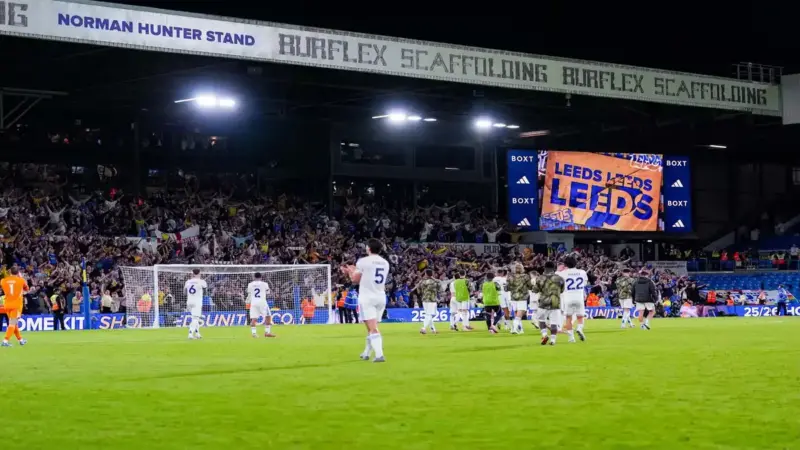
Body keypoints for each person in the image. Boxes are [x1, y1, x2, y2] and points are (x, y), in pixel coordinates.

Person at [343, 238, 389, 363]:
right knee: (371, 327)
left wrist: (350, 271)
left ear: (368, 248)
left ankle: (379, 355)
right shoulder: (385, 263)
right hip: (380, 296)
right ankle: (367, 352)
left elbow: (355, 280)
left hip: (367, 297)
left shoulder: (363, 261)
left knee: (373, 328)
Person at [556, 256, 588, 342]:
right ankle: (579, 328)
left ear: (565, 264)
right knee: (580, 317)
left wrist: (558, 270)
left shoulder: (562, 273)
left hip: (568, 298)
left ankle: (571, 338)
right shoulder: (582, 272)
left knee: (568, 318)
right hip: (579, 297)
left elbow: (558, 283)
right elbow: (584, 284)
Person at [533, 261, 564, 345]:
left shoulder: (540, 278)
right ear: (554, 268)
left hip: (543, 302)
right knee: (554, 322)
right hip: (555, 302)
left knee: (541, 320)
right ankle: (553, 340)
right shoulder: (560, 278)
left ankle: (544, 335)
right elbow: (562, 290)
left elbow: (535, 290)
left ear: (545, 268)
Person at [1, 266, 29, 347]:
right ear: (18, 272)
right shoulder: (21, 280)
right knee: (12, 324)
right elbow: (27, 289)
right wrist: (21, 277)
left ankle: (20, 340)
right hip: (16, 305)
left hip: (7, 305)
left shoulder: (3, 280)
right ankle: (5, 341)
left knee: (13, 323)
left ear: (10, 272)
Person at [247, 272, 275, 338]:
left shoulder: (250, 284)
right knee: (268, 316)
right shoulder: (264, 284)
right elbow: (268, 292)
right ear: (261, 277)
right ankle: (267, 333)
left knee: (254, 319)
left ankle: (254, 334)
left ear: (254, 277)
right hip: (262, 302)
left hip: (253, 303)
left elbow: (249, 292)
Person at [507, 263, 532, 334]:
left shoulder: (510, 277)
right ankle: (514, 329)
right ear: (522, 269)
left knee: (517, 315)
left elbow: (507, 288)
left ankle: (520, 330)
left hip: (513, 297)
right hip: (522, 297)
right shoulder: (526, 276)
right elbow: (530, 286)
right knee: (519, 315)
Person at [414, 269, 440, 335]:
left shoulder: (422, 282)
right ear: (432, 274)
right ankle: (423, 328)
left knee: (428, 314)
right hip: (432, 300)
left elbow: (418, 291)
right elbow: (440, 288)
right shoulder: (435, 282)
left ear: (426, 274)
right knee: (428, 314)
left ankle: (433, 329)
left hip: (424, 299)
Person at [184, 268, 207, 340]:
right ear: (199, 273)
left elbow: (184, 292)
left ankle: (197, 333)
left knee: (195, 318)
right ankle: (190, 333)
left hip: (189, 301)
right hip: (197, 302)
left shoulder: (188, 281)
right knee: (195, 319)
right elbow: (205, 292)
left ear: (192, 273)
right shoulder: (202, 281)